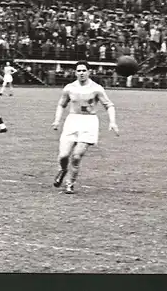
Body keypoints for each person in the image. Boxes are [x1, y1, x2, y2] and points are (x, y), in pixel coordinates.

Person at [51, 61, 119, 194]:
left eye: (84, 70)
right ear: (75, 73)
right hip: (73, 120)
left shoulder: (96, 88)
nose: (81, 73)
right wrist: (57, 120)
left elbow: (109, 105)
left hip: (89, 122)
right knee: (63, 155)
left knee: (76, 156)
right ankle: (63, 169)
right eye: (79, 71)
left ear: (89, 72)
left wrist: (112, 122)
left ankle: (70, 183)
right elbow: (61, 104)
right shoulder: (69, 88)